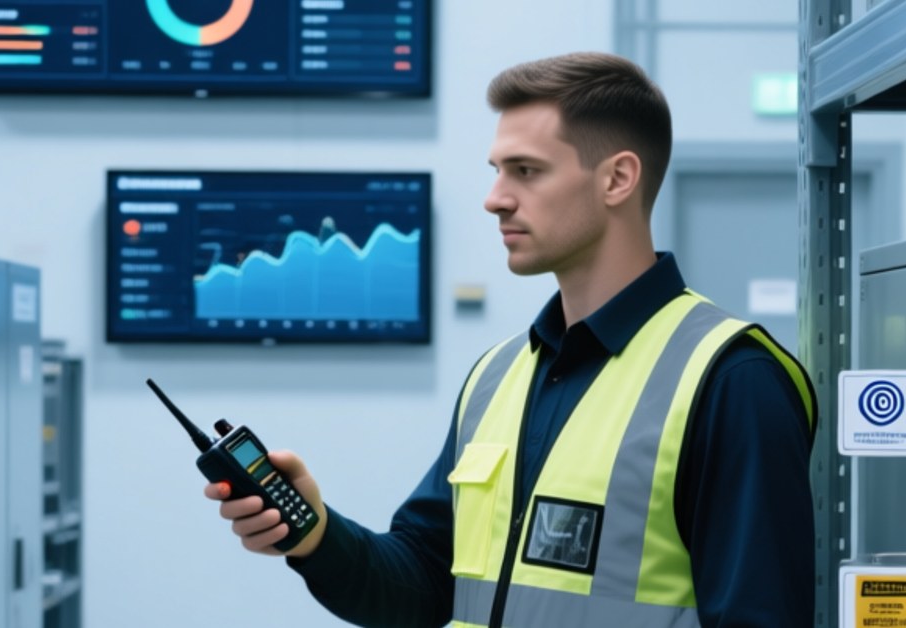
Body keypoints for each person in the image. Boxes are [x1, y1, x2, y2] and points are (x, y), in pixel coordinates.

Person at [205, 52, 817, 627]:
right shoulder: (497, 376)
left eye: (526, 171)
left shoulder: (731, 380)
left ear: (618, 179)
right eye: (498, 171)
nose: (495, 199)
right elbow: (422, 583)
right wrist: (315, 534)